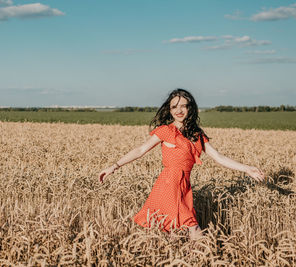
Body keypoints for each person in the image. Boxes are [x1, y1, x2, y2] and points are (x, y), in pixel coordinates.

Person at [98, 88, 264, 240]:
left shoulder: (196, 134)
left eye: (183, 106)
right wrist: (114, 166)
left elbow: (219, 157)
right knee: (192, 230)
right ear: (169, 110)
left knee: (174, 235)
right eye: (174, 107)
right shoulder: (166, 131)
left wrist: (247, 168)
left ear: (190, 108)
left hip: (184, 187)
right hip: (169, 185)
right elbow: (141, 150)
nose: (179, 110)